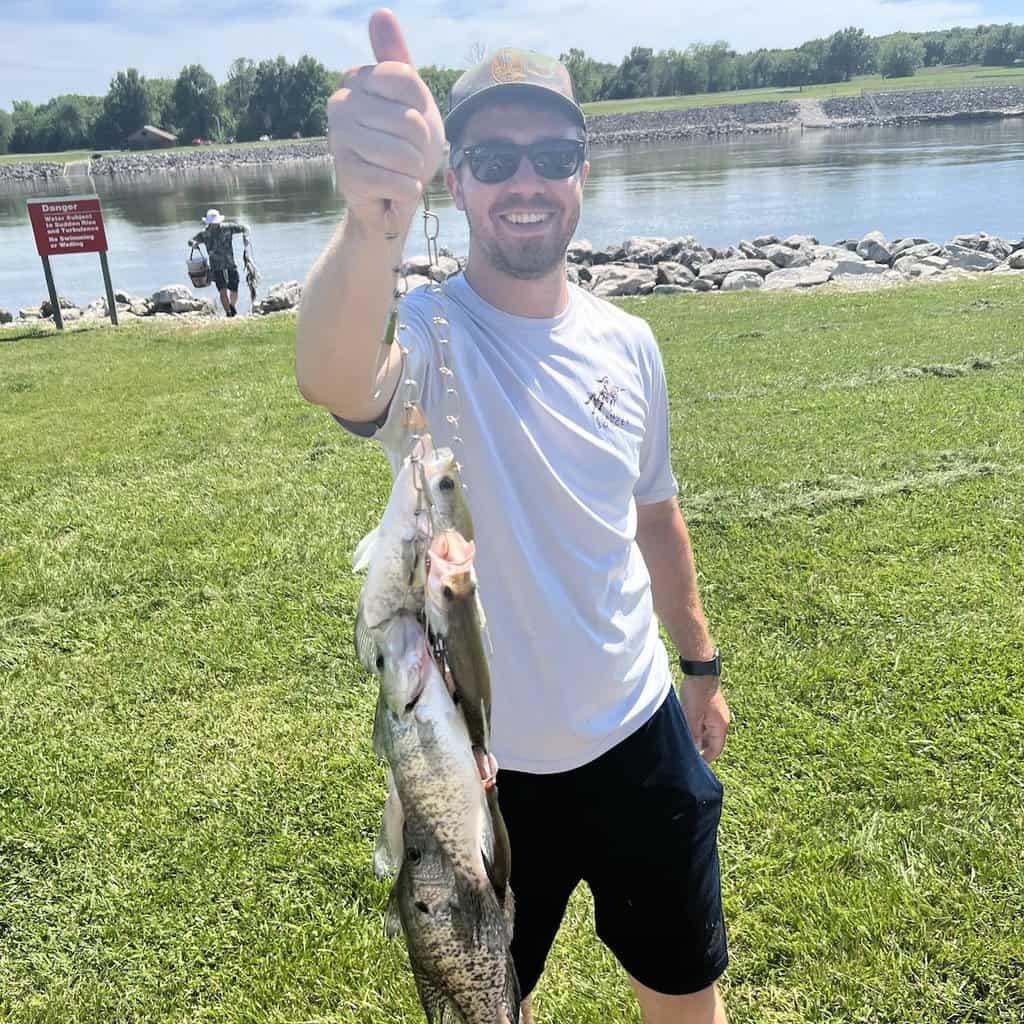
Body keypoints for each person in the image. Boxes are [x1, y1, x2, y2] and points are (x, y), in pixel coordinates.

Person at [296, 11, 732, 1024]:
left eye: (551, 154)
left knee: (684, 994)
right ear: (458, 184)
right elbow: (331, 373)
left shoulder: (631, 343)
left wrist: (700, 664)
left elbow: (654, 519)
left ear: (582, 171)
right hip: (481, 774)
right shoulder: (429, 332)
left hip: (639, 733)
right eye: (493, 157)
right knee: (483, 1006)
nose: (524, 182)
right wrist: (371, 222)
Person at [189, 209, 250, 317]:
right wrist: (194, 244)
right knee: (222, 291)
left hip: (230, 263)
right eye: (213, 224)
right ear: (209, 223)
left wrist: (246, 237)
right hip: (216, 267)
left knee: (234, 289)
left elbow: (244, 228)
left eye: (216, 223)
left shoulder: (228, 227)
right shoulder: (204, 233)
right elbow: (191, 240)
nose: (215, 225)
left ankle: (231, 306)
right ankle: (228, 313)